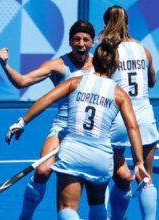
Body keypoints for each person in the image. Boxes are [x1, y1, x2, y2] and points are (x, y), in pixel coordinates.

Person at [6, 37, 150, 220]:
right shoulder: (120, 93)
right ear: (115, 66)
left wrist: (22, 122)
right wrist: (138, 163)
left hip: (73, 152)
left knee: (68, 209)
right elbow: (133, 127)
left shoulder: (75, 82)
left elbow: (45, 100)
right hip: (101, 157)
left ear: (94, 61)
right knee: (97, 204)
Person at [0, 20, 95, 219]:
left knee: (97, 178)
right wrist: (5, 65)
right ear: (69, 42)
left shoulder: (101, 64)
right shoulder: (58, 66)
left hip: (91, 130)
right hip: (63, 127)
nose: (81, 43)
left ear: (93, 42)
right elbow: (22, 81)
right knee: (42, 171)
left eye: (86, 39)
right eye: (76, 39)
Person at [100, 5, 159, 220]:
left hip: (117, 118)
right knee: (146, 177)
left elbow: (99, 83)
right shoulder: (143, 50)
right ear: (127, 23)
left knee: (110, 176)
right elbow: (152, 81)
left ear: (106, 23)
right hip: (143, 116)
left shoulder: (105, 50)